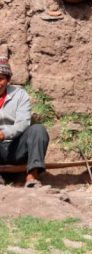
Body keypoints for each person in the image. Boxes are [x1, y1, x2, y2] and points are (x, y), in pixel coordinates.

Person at [0, 57, 49, 187]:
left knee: (38, 129)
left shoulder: (20, 95)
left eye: (1, 79)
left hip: (16, 148)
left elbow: (23, 123)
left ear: (8, 80)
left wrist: (4, 134)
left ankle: (32, 177)